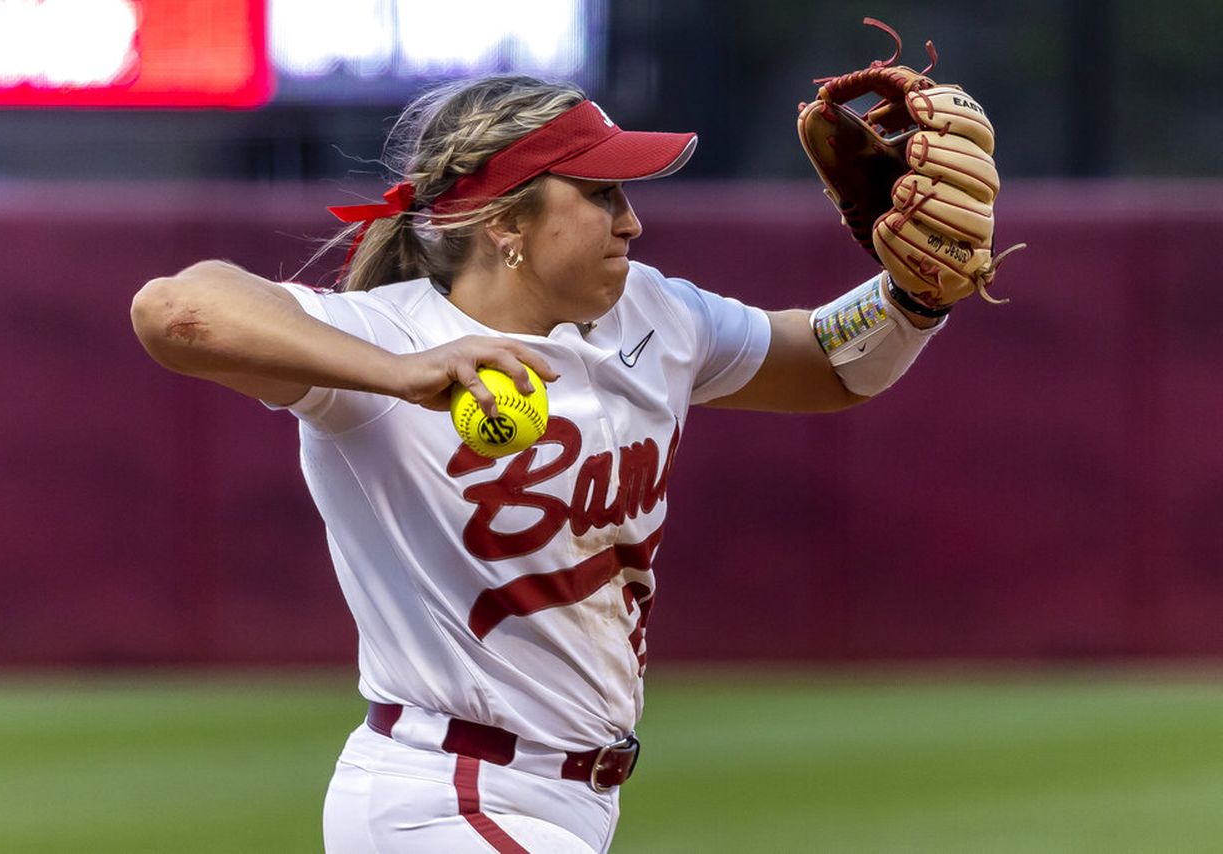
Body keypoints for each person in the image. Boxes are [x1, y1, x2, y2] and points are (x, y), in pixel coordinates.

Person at [130, 74, 943, 853]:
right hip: (444, 792)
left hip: (575, 799)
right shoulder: (380, 339)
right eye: (600, 194)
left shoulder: (652, 312)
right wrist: (398, 372)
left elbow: (833, 367)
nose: (630, 222)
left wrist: (911, 298)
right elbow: (173, 310)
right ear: (504, 224)